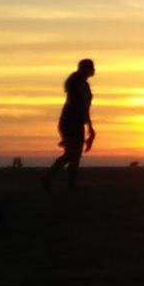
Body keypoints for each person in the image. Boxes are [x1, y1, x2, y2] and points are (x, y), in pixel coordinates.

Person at [42, 59, 96, 190]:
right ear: (86, 70)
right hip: (70, 122)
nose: (94, 70)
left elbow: (85, 108)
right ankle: (49, 178)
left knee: (74, 155)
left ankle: (69, 184)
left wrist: (90, 127)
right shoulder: (76, 85)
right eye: (92, 68)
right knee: (72, 154)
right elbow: (76, 106)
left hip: (76, 123)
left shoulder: (84, 85)